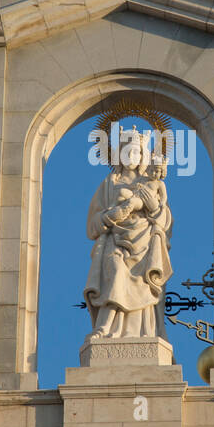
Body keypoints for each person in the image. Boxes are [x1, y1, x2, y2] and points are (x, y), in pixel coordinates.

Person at [83, 128, 173, 340]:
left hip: (145, 243)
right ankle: (104, 328)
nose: (132, 157)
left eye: (137, 153)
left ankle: (146, 334)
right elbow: (92, 226)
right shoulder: (108, 185)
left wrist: (154, 208)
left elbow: (166, 222)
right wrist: (111, 215)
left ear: (143, 156)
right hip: (115, 242)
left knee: (143, 284)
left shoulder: (152, 183)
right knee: (115, 273)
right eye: (127, 152)